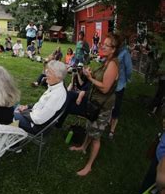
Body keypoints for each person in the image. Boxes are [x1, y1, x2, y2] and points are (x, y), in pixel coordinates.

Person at [69, 33, 120, 176]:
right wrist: (88, 73)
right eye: (103, 43)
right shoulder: (106, 61)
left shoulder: (113, 64)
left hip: (103, 107)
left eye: (106, 44)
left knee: (96, 136)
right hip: (95, 103)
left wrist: (90, 78)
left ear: (113, 49)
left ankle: (89, 166)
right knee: (90, 127)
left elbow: (105, 87)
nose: (102, 45)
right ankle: (83, 147)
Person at [14, 60, 67, 134]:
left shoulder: (57, 95)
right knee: (11, 104)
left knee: (7, 114)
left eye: (49, 72)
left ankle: (11, 139)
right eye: (47, 71)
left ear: (58, 77)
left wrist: (23, 112)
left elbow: (39, 119)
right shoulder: (54, 86)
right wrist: (27, 106)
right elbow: (41, 104)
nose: (46, 74)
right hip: (33, 115)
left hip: (35, 126)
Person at [108, 40, 133, 139]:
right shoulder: (114, 50)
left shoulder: (125, 53)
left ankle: (112, 130)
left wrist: (125, 79)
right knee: (109, 103)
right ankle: (107, 121)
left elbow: (129, 69)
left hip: (119, 84)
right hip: (110, 83)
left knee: (116, 107)